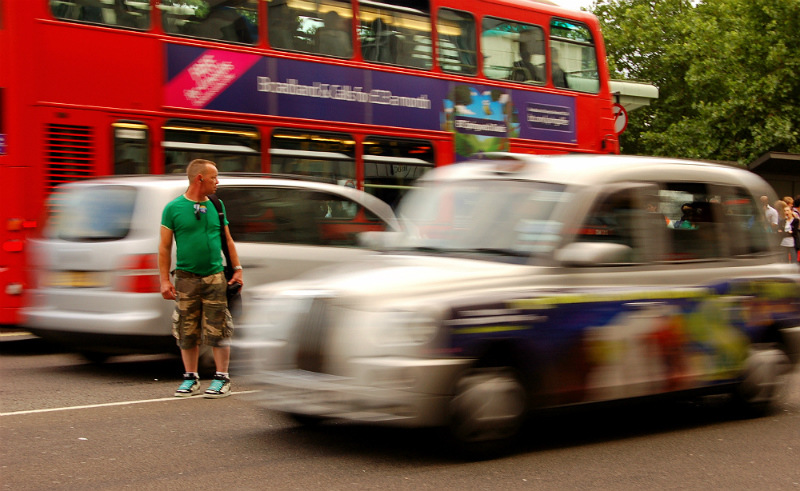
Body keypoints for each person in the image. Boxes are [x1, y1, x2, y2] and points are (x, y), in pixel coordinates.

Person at [159, 159, 244, 398]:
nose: (217, 182)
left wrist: (237, 268)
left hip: (215, 276)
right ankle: (190, 378)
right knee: (187, 330)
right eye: (213, 177)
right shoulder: (173, 208)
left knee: (218, 329)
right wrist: (164, 280)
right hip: (185, 278)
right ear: (199, 179)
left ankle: (222, 379)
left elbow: (227, 240)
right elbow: (164, 247)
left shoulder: (217, 205)